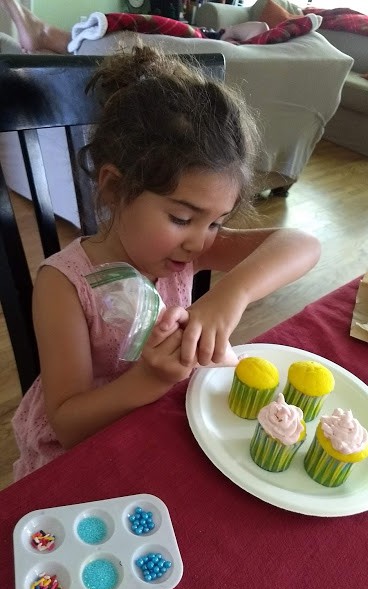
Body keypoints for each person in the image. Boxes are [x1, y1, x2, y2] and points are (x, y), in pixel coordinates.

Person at [11, 43, 320, 481]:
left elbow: (303, 244)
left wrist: (233, 294)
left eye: (216, 223)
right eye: (181, 218)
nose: (199, 242)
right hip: (89, 451)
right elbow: (68, 425)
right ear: (114, 188)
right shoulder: (64, 285)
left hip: (167, 425)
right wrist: (150, 381)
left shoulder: (190, 249)